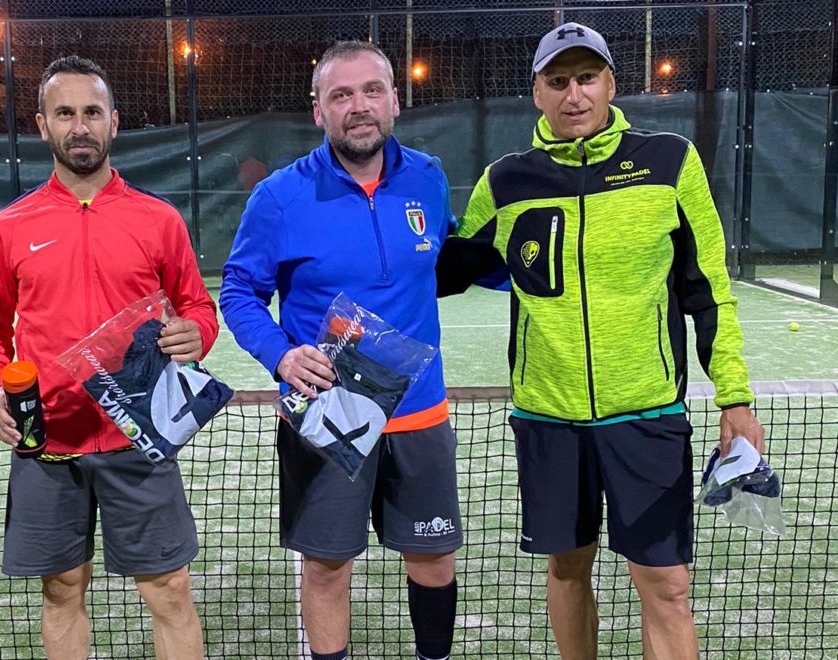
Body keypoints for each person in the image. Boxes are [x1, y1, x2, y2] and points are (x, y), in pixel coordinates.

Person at [438, 22, 766, 660]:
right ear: (537, 92)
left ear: (611, 84)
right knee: (567, 569)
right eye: (558, 80)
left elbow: (708, 291)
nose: (574, 94)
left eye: (587, 78)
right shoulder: (505, 182)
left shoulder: (670, 162)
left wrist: (735, 397)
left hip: (648, 416)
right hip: (548, 420)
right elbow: (449, 268)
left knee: (667, 585)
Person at [220, 41, 463, 660]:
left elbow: (450, 256)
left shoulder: (429, 178)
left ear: (395, 100)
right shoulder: (279, 196)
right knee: (327, 568)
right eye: (341, 95)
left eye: (372, 90)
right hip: (327, 415)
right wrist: (281, 356)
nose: (359, 106)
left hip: (421, 414)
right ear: (319, 111)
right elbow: (239, 291)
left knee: (434, 559)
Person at [0, 55, 217, 660]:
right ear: (42, 125)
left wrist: (196, 334)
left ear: (113, 121)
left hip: (139, 434)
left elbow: (197, 307)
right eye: (64, 114)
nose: (79, 127)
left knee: (169, 590)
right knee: (61, 590)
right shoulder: (8, 226)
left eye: (91, 112)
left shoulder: (158, 220)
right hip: (48, 441)